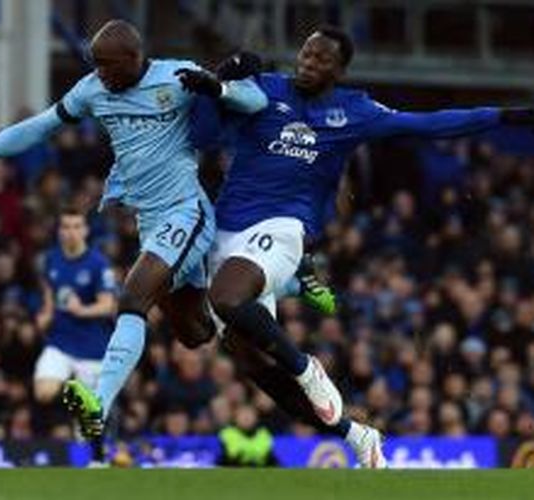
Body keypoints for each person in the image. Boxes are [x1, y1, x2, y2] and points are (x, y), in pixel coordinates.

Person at [180, 25, 534, 468]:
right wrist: (214, 84)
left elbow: (427, 125)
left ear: (340, 69)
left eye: (321, 59)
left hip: (283, 226)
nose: (309, 63)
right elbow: (202, 137)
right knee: (256, 369)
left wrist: (506, 116)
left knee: (228, 299)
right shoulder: (264, 90)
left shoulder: (355, 110)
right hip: (225, 231)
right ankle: (358, 435)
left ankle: (307, 367)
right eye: (306, 55)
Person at [0, 19, 265, 452]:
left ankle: (98, 405)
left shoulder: (176, 77)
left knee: (132, 298)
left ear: (133, 58)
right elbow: (39, 126)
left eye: (106, 65)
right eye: (96, 65)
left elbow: (255, 101)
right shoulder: (92, 90)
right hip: (150, 223)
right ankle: (250, 305)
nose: (99, 73)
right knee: (192, 333)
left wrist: (216, 87)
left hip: (186, 212)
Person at [33, 207, 116, 431]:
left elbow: (108, 305)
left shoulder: (98, 264)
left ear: (86, 230)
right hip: (60, 342)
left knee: (87, 430)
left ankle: (93, 446)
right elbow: (50, 295)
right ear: (59, 231)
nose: (71, 232)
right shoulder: (50, 259)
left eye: (77, 226)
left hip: (92, 347)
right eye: (66, 227)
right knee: (44, 391)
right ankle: (72, 395)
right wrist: (46, 314)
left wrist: (82, 310)